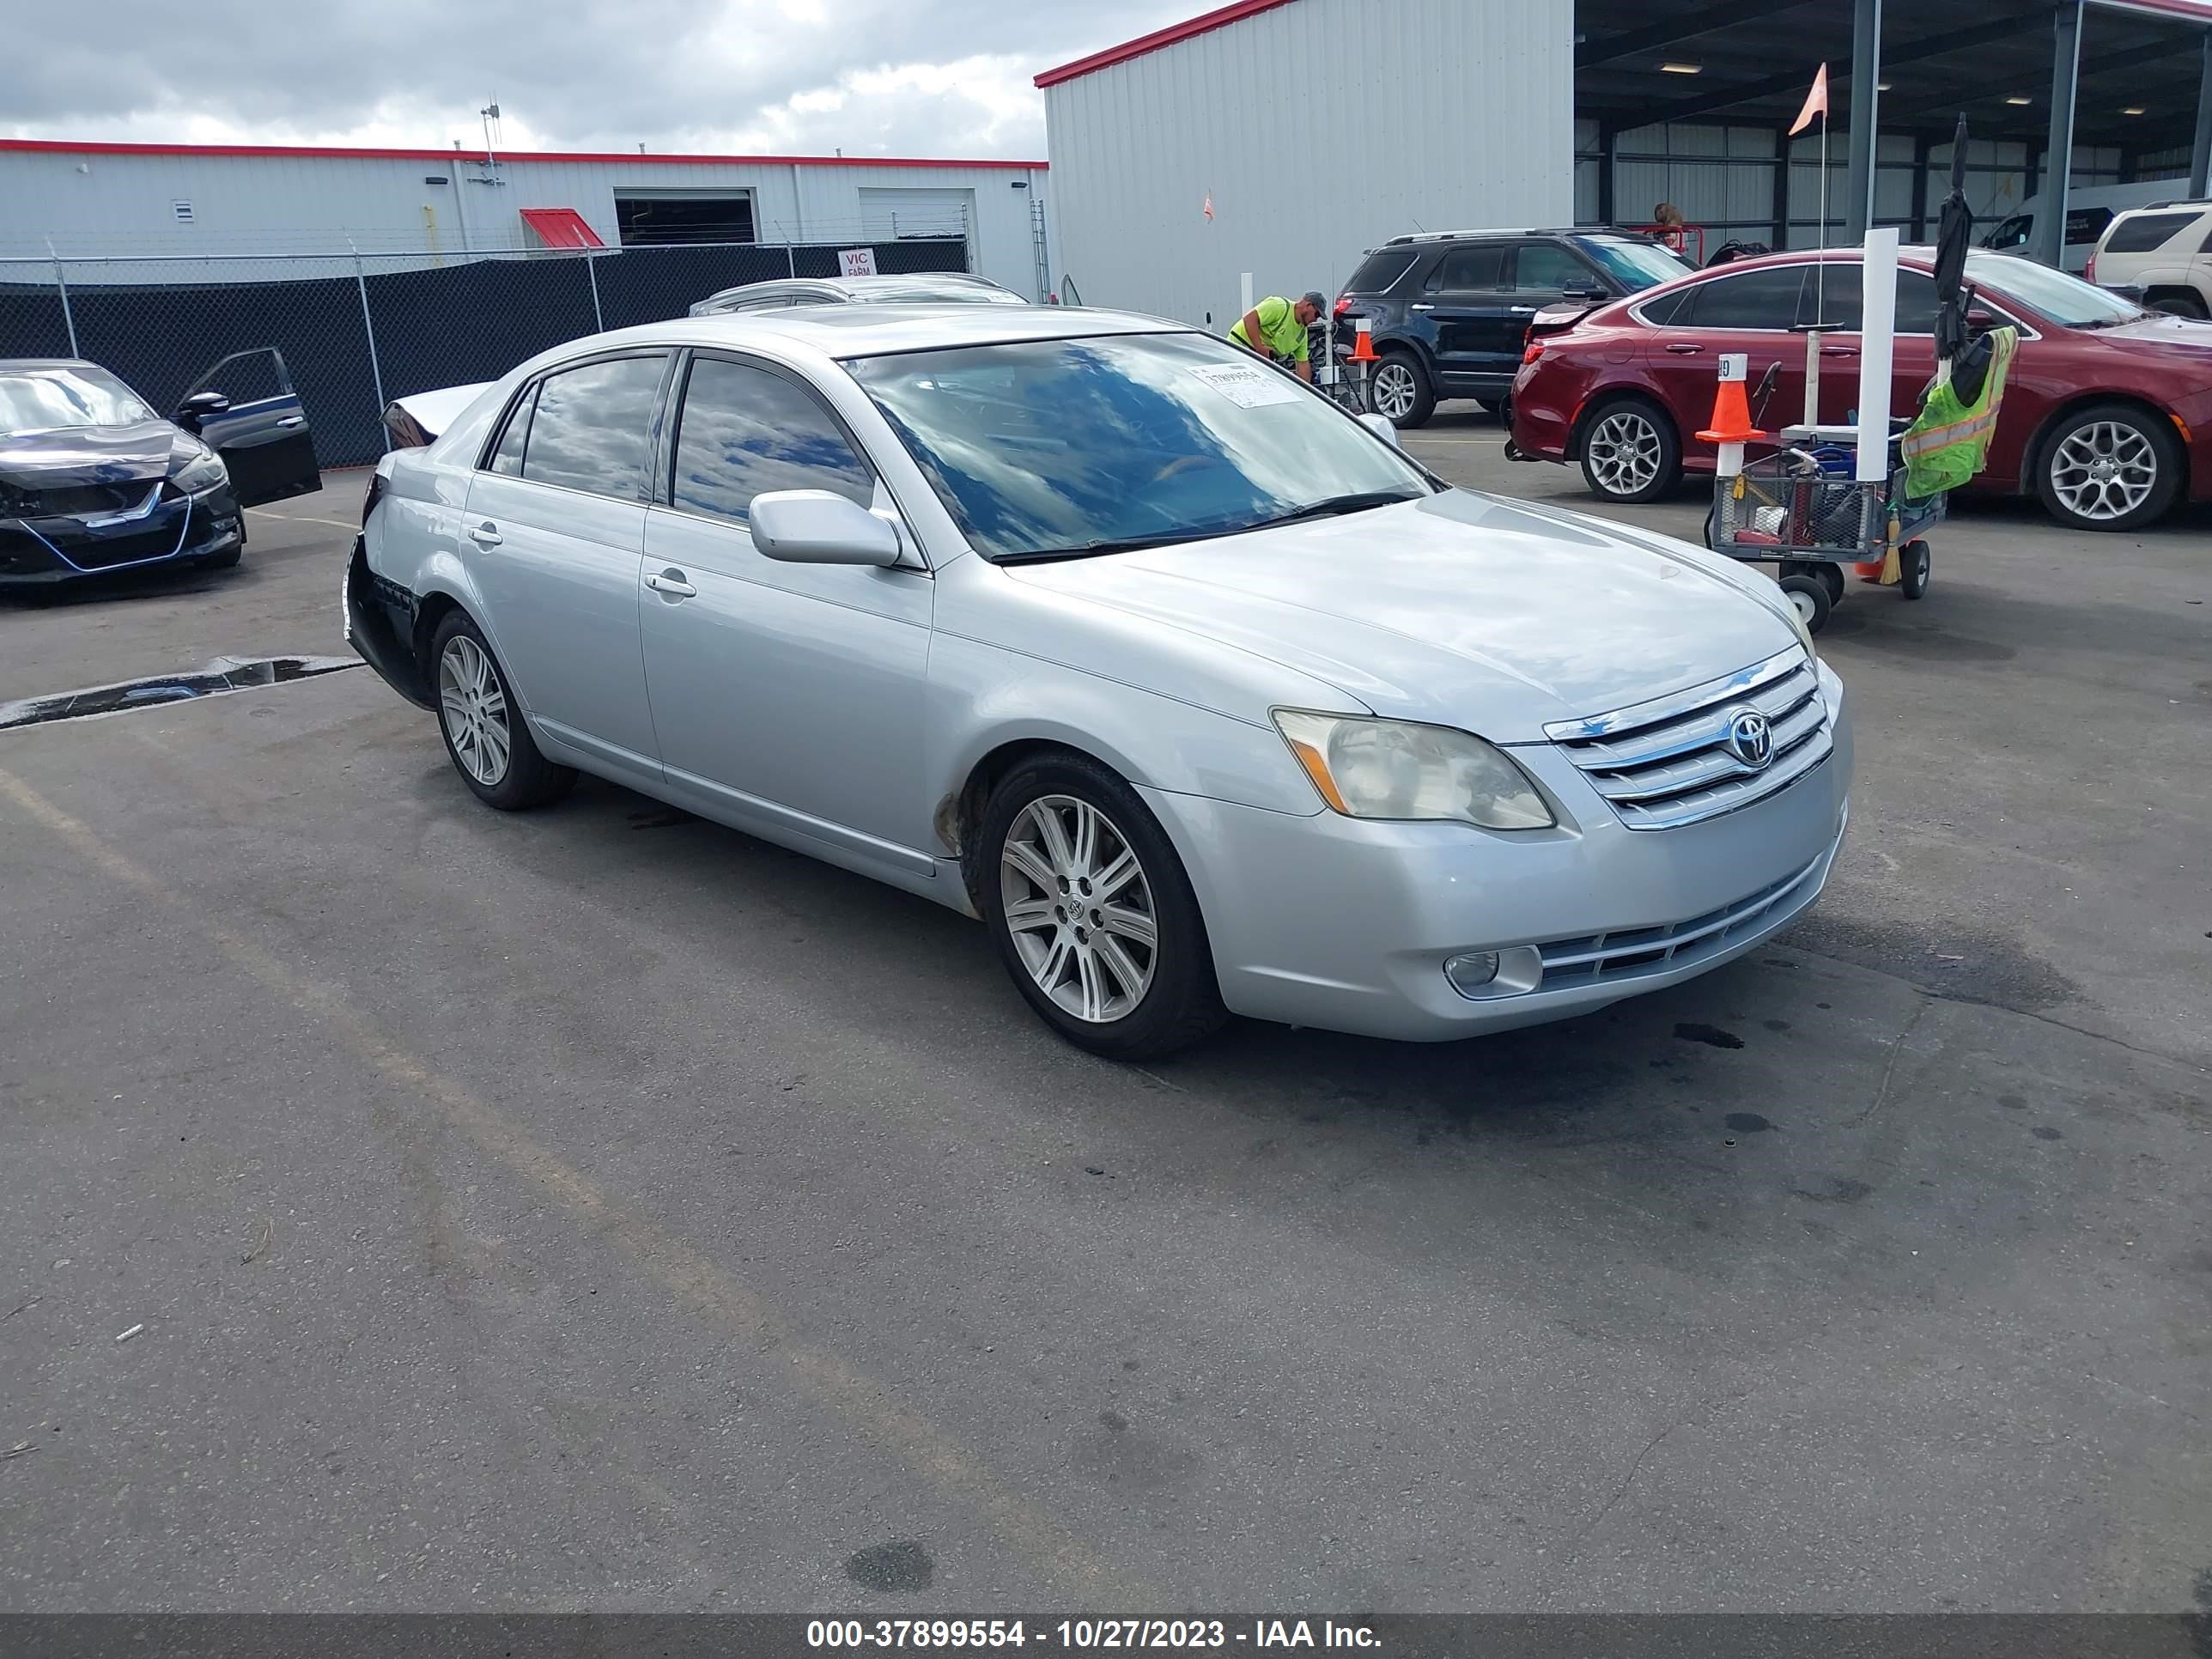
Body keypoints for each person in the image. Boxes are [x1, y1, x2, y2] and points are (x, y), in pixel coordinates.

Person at [1229, 290, 1327, 382]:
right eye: (1317, 314)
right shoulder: (1279, 306)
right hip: (1237, 350)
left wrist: (1307, 391)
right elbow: (1249, 319)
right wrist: (1260, 348)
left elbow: (1303, 364)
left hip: (1259, 363)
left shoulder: (1301, 334)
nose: (1316, 320)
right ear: (1308, 305)